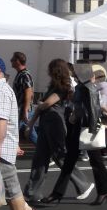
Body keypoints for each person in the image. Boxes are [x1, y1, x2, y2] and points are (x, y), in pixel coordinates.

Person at [40, 64, 107, 206]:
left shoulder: (88, 87)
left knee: (95, 161)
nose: (73, 75)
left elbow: (93, 109)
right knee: (71, 160)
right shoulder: (83, 87)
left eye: (75, 74)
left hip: (86, 127)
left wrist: (89, 126)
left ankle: (104, 191)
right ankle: (58, 193)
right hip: (81, 126)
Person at [24, 59, 92, 201]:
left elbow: (48, 103)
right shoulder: (54, 86)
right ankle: (32, 192)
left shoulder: (63, 86)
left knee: (60, 156)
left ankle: (83, 184)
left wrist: (40, 107)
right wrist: (31, 123)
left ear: (55, 70)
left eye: (50, 68)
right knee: (40, 158)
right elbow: (43, 106)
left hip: (55, 123)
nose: (48, 71)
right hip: (46, 122)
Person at [0, 56, 37, 210]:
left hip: (0, 149)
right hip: (0, 146)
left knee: (10, 189)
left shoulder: (0, 90)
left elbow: (1, 121)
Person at [9, 51, 33, 141]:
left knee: (16, 132)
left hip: (22, 109)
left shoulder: (24, 74)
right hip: (21, 109)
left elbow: (29, 91)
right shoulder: (21, 74)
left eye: (13, 59)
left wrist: (25, 110)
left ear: (18, 61)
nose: (11, 61)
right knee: (30, 133)